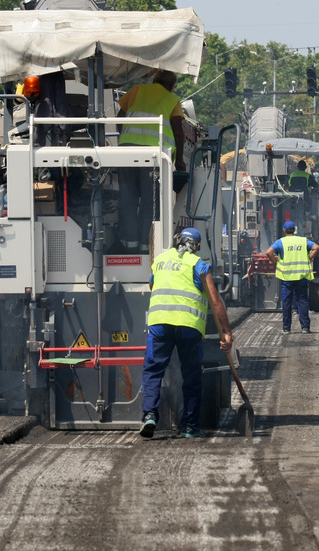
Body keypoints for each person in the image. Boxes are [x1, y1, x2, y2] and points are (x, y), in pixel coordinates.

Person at [140, 227, 232, 439]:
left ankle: (150, 416)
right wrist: (227, 332)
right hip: (189, 326)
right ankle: (190, 426)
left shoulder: (161, 260)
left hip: (159, 324)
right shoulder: (199, 265)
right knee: (191, 375)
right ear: (197, 247)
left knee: (153, 370)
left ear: (177, 241)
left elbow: (152, 283)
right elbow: (215, 301)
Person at [116, 70, 187, 253]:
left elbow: (119, 118)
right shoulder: (172, 100)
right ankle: (145, 246)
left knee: (127, 197)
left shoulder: (136, 90)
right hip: (153, 155)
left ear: (154, 79)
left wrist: (122, 140)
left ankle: (128, 243)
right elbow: (179, 132)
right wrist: (179, 161)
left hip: (127, 151)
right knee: (150, 200)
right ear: (171, 86)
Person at [266, 221, 319, 334]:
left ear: (284, 230)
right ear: (294, 230)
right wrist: (309, 257)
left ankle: (286, 328)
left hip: (287, 278)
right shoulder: (303, 241)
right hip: (301, 277)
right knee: (303, 301)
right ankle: (305, 327)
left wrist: (275, 262)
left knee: (286, 302)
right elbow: (317, 247)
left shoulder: (281, 242)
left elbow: (269, 252)